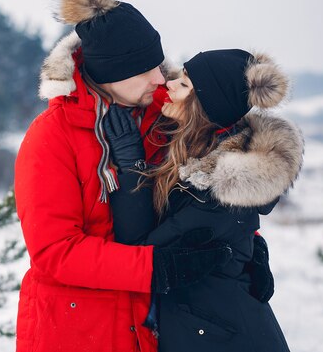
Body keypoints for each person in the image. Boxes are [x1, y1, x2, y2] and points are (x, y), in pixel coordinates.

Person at [13, 0, 235, 352]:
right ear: (110, 72)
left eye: (158, 63)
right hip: (75, 331)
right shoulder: (52, 137)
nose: (158, 77)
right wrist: (154, 268)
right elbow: (55, 251)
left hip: (150, 327)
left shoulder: (164, 120)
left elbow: (202, 193)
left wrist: (246, 247)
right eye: (143, 69)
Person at [103, 49, 304, 352]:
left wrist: (131, 163)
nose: (168, 85)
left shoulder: (215, 193)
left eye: (183, 84)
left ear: (204, 107)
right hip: (211, 329)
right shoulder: (199, 153)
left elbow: (139, 250)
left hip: (228, 339)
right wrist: (250, 246)